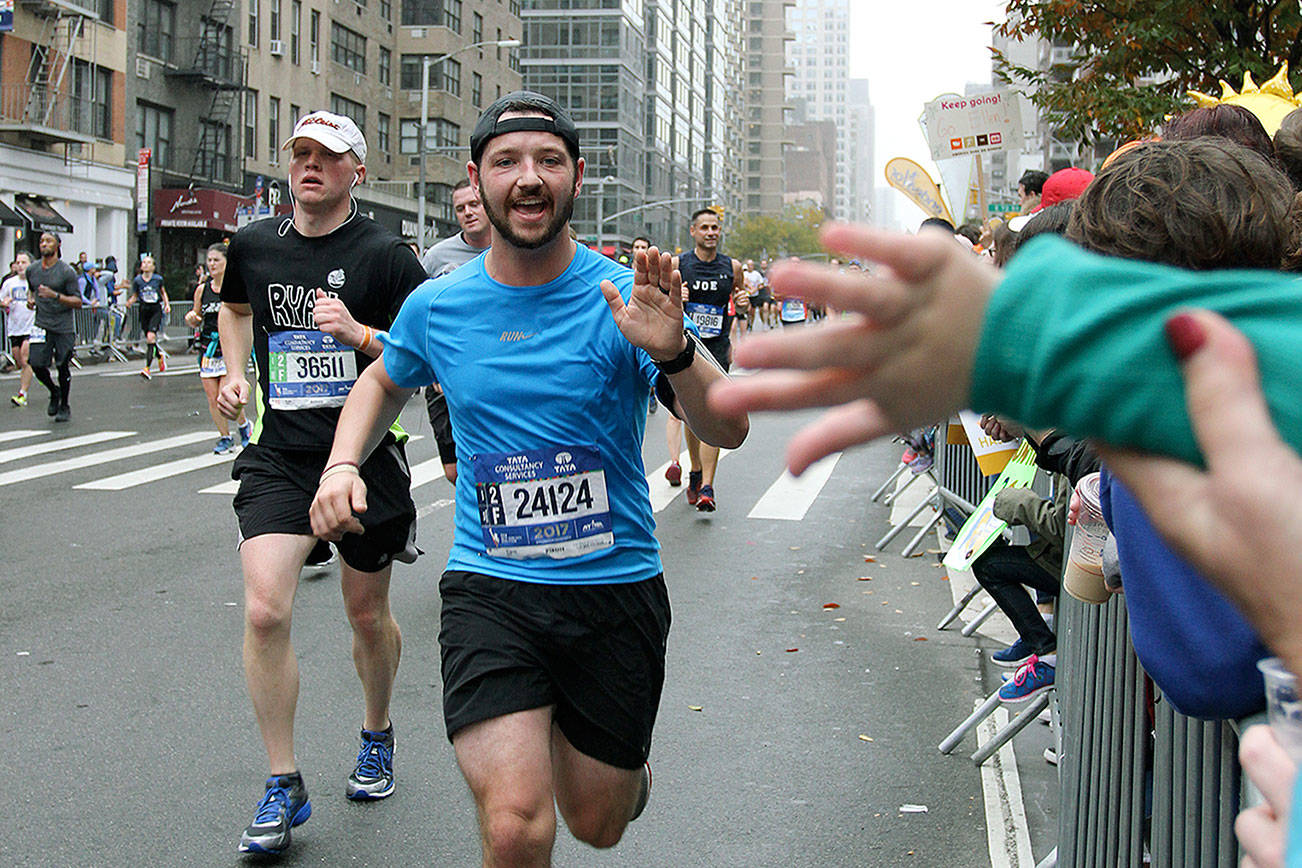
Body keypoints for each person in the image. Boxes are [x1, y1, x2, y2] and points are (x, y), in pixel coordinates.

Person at [309, 90, 749, 866]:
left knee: (597, 820)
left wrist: (676, 350)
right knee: (515, 823)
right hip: (491, 589)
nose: (528, 177)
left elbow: (728, 428)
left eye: (548, 160)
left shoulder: (624, 297)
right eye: (506, 161)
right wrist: (342, 463)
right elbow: (384, 377)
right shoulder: (439, 304)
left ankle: (615, 772)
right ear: (476, 180)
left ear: (576, 177)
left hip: (613, 589)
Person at [215, 110, 428, 857]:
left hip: (364, 457)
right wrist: (235, 374)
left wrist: (361, 336)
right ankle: (284, 781)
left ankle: (377, 731)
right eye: (300, 153)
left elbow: (424, 355)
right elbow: (234, 309)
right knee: (265, 610)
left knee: (366, 616)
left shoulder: (386, 256)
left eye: (327, 156)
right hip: (281, 456)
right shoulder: (253, 243)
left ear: (355, 172)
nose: (310, 165)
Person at [419, 178, 493, 483]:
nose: (468, 213)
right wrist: (431, 365)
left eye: (474, 204)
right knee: (453, 471)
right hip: (444, 373)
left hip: (492, 370)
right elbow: (420, 315)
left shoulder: (512, 251)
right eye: (460, 208)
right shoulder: (438, 256)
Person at [674, 208, 746, 512]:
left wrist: (743, 304)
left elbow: (741, 302)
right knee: (692, 415)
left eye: (715, 227)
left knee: (715, 413)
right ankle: (695, 468)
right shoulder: (679, 264)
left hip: (717, 348)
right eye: (704, 227)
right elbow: (664, 301)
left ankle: (707, 486)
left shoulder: (732, 267)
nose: (710, 232)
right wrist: (676, 298)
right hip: (687, 346)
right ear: (693, 231)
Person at [185, 243, 252, 453]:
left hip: (230, 347)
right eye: (209, 260)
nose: (212, 264)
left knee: (227, 392)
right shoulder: (202, 290)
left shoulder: (236, 286)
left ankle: (243, 426)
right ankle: (225, 437)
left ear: (227, 262)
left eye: (216, 260)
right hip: (209, 349)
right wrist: (192, 319)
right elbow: (197, 315)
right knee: (213, 397)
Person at [25, 232, 80, 422]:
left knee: (62, 365)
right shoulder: (32, 270)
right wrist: (31, 300)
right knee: (36, 364)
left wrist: (54, 295)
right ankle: (53, 391)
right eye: (41, 241)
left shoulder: (66, 271)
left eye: (48, 241)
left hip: (63, 326)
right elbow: (32, 290)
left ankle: (64, 404)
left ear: (57, 245)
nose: (44, 244)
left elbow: (77, 301)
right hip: (42, 324)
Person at [126, 254, 170, 378]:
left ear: (153, 267)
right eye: (144, 262)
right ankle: (159, 355)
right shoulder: (138, 280)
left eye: (148, 262)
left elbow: (163, 292)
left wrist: (167, 304)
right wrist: (130, 301)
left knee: (151, 337)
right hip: (144, 310)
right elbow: (136, 294)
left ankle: (147, 368)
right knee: (149, 339)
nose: (145, 265)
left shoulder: (158, 279)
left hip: (155, 310)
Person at [1, 253, 33, 405]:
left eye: (24, 262)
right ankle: (40, 374)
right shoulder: (9, 283)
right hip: (15, 327)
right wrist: (4, 303)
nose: (20, 265)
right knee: (19, 362)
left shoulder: (35, 281)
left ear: (30, 264)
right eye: (18, 262)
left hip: (31, 326)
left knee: (25, 359)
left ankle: (22, 394)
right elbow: (1, 299)